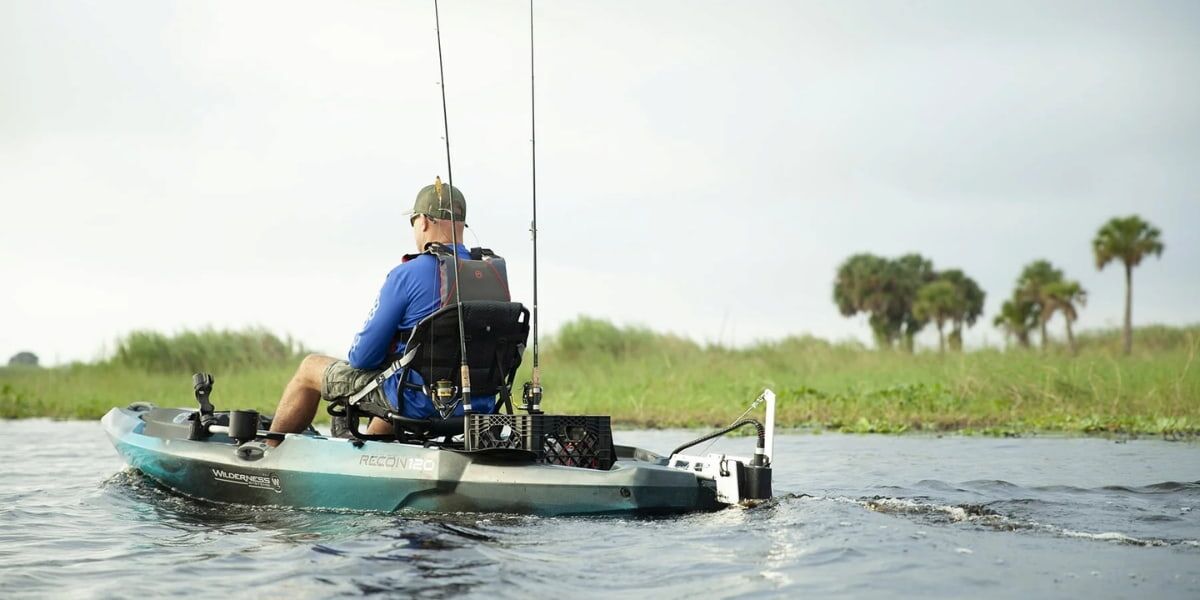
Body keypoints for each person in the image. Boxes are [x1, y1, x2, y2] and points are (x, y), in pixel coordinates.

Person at [268, 180, 496, 442]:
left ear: (423, 221)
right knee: (397, 375)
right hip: (478, 404)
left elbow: (362, 358)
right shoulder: (492, 275)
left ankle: (268, 453)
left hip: (418, 401)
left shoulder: (406, 275)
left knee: (310, 368)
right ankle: (365, 456)